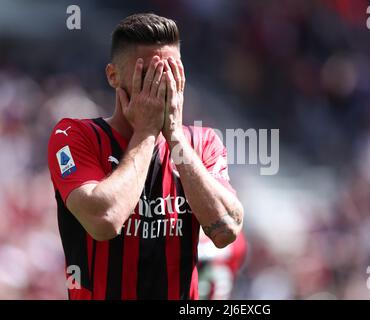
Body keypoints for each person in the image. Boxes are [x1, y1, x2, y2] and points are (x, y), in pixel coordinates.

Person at [47, 12, 244, 300]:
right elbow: (104, 220)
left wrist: (174, 135)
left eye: (170, 71)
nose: (161, 82)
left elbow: (226, 229)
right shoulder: (76, 136)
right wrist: (146, 133)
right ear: (113, 76)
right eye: (148, 72)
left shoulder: (202, 142)